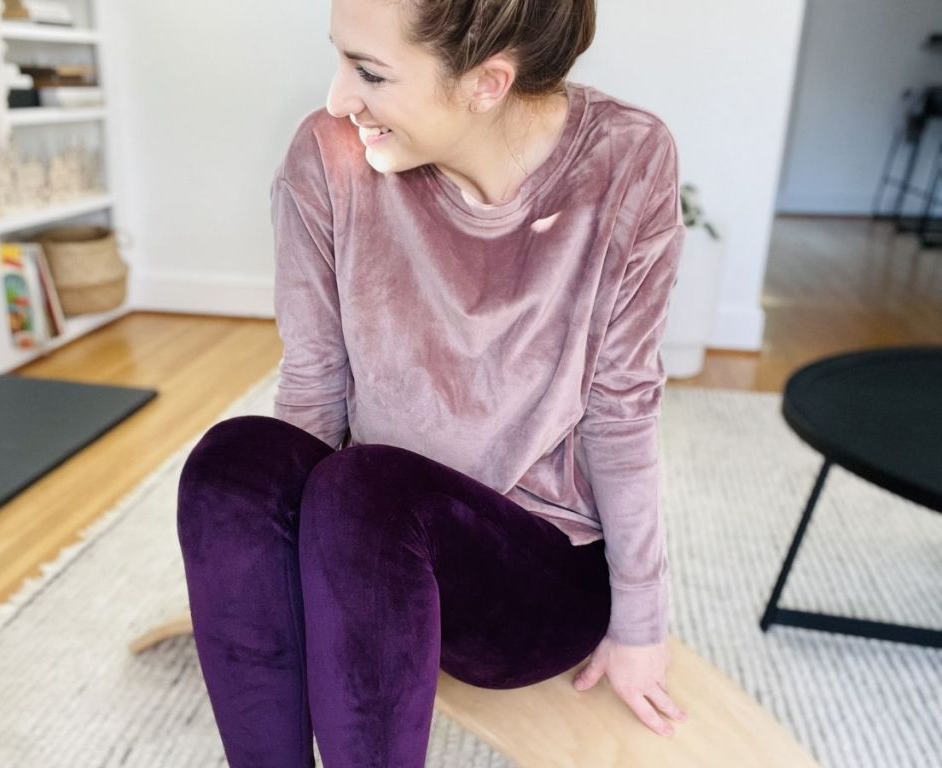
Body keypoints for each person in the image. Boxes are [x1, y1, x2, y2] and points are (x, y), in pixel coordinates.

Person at [177, 0, 689, 765]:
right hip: (361, 543)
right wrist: (276, 559)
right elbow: (313, 388)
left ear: (487, 83)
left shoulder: (626, 160)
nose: (338, 98)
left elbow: (621, 412)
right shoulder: (328, 154)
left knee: (367, 492)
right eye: (343, 59)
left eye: (371, 72)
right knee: (234, 462)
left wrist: (641, 621)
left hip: (530, 573)